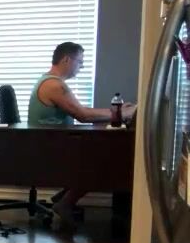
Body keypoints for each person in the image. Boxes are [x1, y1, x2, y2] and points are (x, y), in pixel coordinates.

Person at [28, 41, 136, 228]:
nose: (82, 66)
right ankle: (65, 203)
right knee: (105, 159)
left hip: (53, 143)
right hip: (50, 149)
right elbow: (83, 115)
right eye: (80, 62)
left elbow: (82, 111)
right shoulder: (53, 85)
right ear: (66, 60)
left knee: (104, 151)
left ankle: (63, 197)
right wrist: (119, 114)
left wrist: (116, 112)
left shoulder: (51, 82)